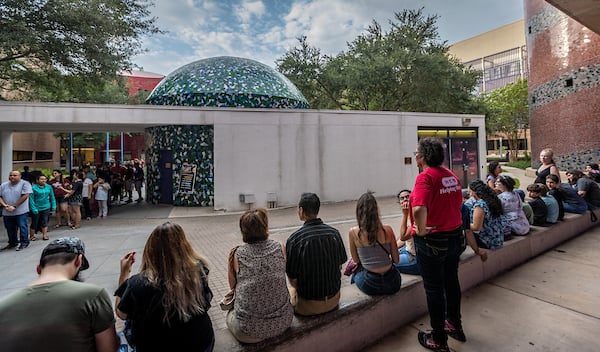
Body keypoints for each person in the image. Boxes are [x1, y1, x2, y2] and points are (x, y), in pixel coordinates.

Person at [0, 237, 119, 351]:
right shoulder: (93, 296)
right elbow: (108, 348)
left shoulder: (3, 306)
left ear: (38, 268)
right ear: (79, 261)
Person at [115, 222, 215, 351]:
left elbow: (121, 313)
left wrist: (124, 274)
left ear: (150, 251)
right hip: (201, 342)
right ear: (184, 247)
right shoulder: (199, 269)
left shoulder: (138, 283)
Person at [409, 137, 465, 352]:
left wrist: (421, 230)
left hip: (434, 241)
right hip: (455, 237)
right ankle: (454, 324)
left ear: (422, 157)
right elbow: (458, 202)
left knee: (434, 289)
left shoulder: (425, 178)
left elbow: (418, 209)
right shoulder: (450, 175)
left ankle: (439, 340)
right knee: (452, 282)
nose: (415, 156)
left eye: (416, 152)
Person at [225, 208, 293, 343]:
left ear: (243, 230)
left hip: (248, 331)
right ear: (265, 226)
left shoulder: (236, 254)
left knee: (229, 315)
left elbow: (233, 286)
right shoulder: (280, 247)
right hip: (283, 322)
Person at [286, 192, 347, 316]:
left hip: (308, 306)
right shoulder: (334, 233)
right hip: (334, 300)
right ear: (317, 210)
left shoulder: (295, 240)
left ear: (301, 210)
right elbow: (339, 267)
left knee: (289, 291)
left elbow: (293, 281)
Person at [348, 192, 401, 295]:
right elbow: (396, 260)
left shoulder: (353, 232)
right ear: (376, 211)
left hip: (369, 283)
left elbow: (356, 260)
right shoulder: (388, 230)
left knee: (354, 276)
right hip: (392, 282)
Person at [468, 180, 505, 250]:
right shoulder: (492, 200)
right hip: (498, 239)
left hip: (488, 242)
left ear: (474, 192)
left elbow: (476, 227)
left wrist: (462, 224)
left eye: (469, 192)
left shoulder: (480, 205)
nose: (469, 195)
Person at [0, 170, 33, 250]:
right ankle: (13, 242)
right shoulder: (3, 185)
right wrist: (4, 205)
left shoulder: (25, 184)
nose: (12, 177)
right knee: (10, 228)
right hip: (7, 211)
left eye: (15, 175)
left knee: (22, 227)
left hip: (20, 211)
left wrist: (14, 206)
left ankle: (24, 243)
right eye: (11, 175)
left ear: (20, 176)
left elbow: (25, 196)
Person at [395, 189, 419, 275]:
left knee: (386, 263)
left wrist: (405, 214)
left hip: (415, 258)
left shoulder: (416, 215)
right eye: (402, 198)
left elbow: (403, 236)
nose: (405, 199)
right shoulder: (409, 215)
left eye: (407, 197)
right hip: (407, 250)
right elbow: (402, 240)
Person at [29, 174, 56, 241]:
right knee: (35, 222)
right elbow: (31, 199)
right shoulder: (33, 188)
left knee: (45, 221)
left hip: (46, 207)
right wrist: (33, 208)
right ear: (37, 180)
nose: (44, 180)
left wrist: (54, 205)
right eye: (41, 179)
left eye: (45, 179)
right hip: (36, 207)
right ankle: (32, 236)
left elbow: (52, 197)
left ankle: (44, 235)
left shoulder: (49, 187)